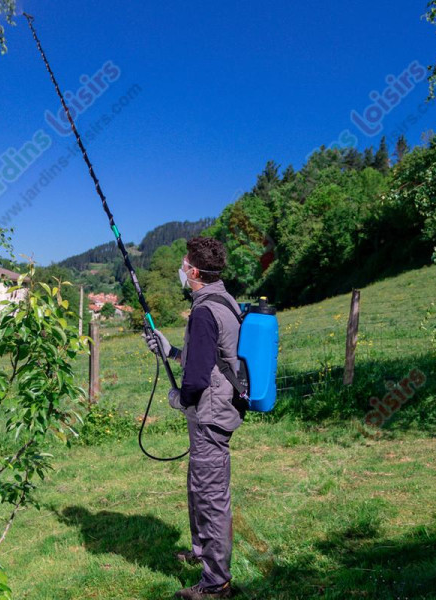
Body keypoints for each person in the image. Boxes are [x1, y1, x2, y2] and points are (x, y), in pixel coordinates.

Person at [143, 236, 244, 600]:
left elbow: (199, 376)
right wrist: (170, 350)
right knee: (199, 488)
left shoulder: (204, 311)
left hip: (210, 414)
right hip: (215, 409)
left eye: (185, 263)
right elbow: (208, 356)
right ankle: (201, 552)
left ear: (196, 272)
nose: (181, 269)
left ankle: (217, 583)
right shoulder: (222, 300)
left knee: (210, 496)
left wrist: (178, 399)